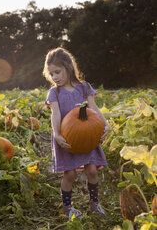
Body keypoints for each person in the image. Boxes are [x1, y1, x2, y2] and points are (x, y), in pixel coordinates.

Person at [43, 47, 109, 220]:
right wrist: (57, 134)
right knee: (70, 174)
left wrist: (105, 124)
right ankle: (67, 207)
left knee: (92, 170)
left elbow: (93, 109)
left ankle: (94, 204)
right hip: (67, 137)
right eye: (51, 74)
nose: (54, 77)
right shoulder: (54, 92)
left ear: (69, 67)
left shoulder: (84, 88)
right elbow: (55, 114)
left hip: (87, 136)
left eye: (57, 72)